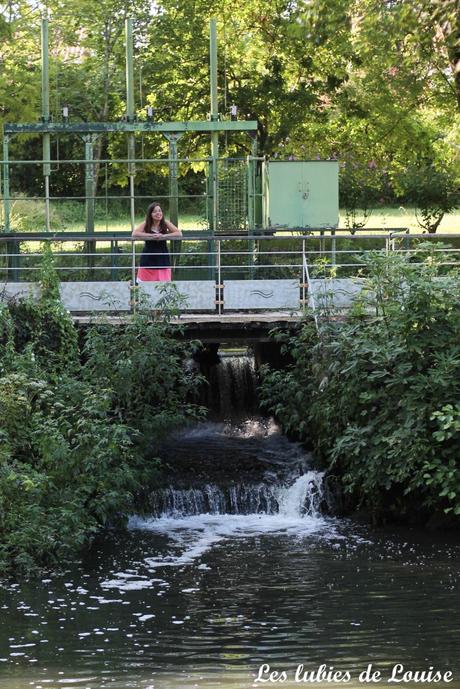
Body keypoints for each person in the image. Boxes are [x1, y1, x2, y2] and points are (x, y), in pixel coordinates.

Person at [132, 202, 182, 282]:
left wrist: (163, 236)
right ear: (150, 214)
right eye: (155, 211)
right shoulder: (146, 223)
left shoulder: (165, 223)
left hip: (162, 258)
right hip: (148, 258)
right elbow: (134, 234)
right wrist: (151, 236)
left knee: (164, 285)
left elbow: (179, 233)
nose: (158, 213)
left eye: (160, 211)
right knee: (145, 285)